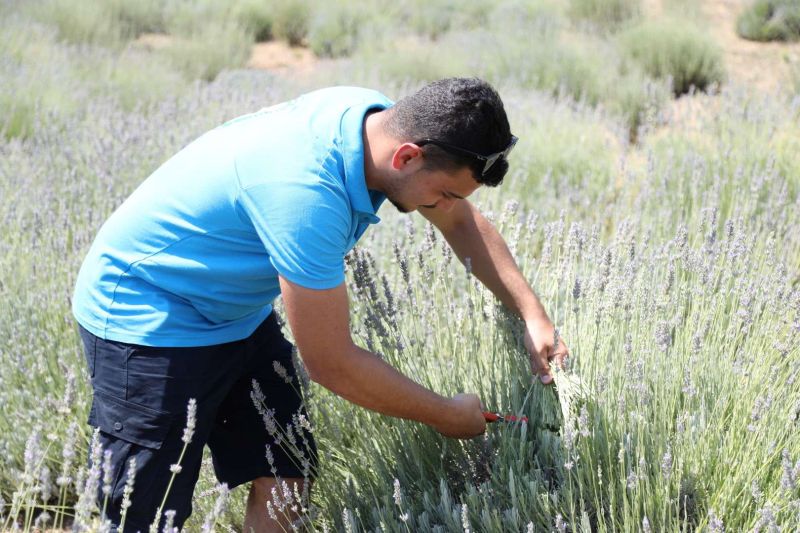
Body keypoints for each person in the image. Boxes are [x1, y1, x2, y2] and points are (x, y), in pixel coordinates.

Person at [72, 77, 569, 532]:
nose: (443, 207)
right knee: (148, 513)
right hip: (146, 317)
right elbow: (333, 364)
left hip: (232, 313)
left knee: (287, 466)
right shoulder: (306, 196)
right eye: (442, 193)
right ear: (408, 157)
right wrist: (444, 414)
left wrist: (532, 313)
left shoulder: (373, 122)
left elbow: (459, 221)